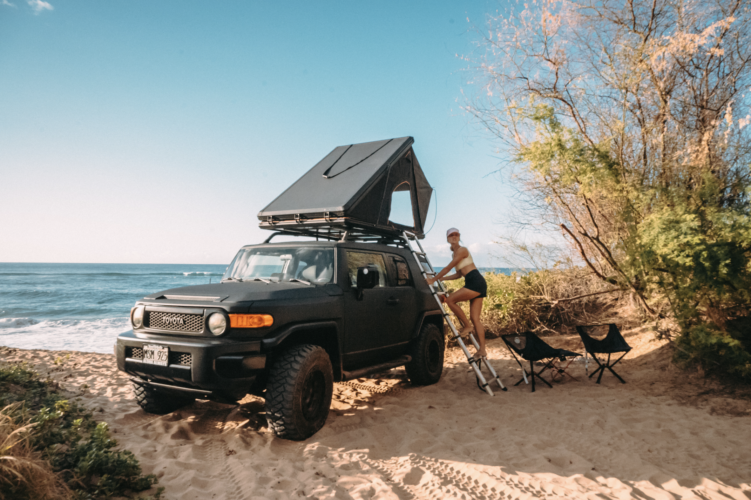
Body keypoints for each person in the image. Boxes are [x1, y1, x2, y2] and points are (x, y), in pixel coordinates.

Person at [426, 228, 488, 360]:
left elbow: (448, 267)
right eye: (451, 235)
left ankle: (467, 326)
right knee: (475, 318)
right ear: (447, 239)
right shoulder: (455, 254)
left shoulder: (462, 250)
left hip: (475, 281)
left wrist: (433, 280)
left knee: (450, 301)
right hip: (475, 281)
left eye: (456, 235)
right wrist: (443, 278)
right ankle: (482, 350)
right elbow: (459, 274)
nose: (454, 237)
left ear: (459, 237)